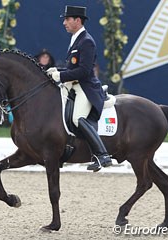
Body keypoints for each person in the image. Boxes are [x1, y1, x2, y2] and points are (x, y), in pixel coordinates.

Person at [47, 5, 112, 172]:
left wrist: (60, 76)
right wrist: (58, 71)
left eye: (67, 19)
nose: (64, 23)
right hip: (74, 86)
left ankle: (102, 154)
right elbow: (73, 68)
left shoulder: (86, 41)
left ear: (77, 20)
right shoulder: (76, 38)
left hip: (85, 87)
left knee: (78, 118)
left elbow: (83, 71)